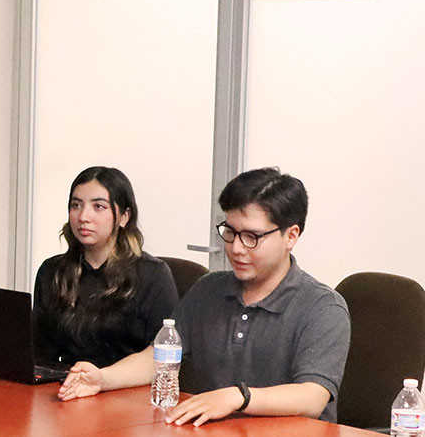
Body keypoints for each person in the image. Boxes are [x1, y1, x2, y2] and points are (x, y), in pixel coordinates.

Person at [56, 167, 350, 426]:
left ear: (291, 236)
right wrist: (103, 379)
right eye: (230, 232)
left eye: (252, 237)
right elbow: (159, 359)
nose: (236, 248)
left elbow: (312, 397)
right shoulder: (208, 290)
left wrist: (238, 398)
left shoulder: (322, 307)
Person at [32, 166, 178, 369]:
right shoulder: (52, 271)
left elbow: (163, 356)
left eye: (98, 207)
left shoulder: (152, 275)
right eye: (76, 205)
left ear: (124, 217)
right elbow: (40, 353)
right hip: (67, 385)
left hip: (127, 389)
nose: (83, 217)